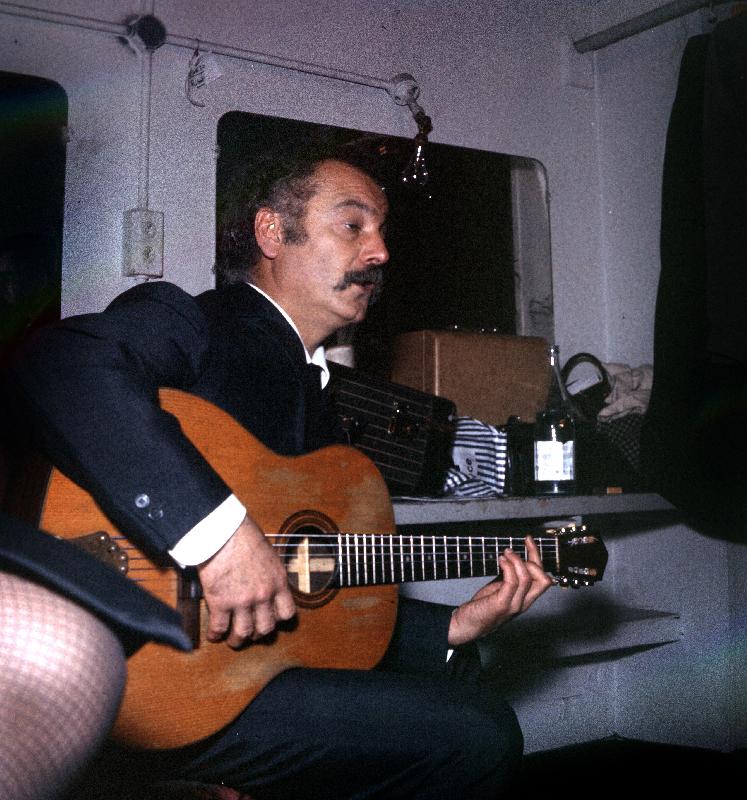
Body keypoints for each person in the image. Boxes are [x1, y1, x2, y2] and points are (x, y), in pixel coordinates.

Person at [4, 142, 553, 799]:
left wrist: (452, 628)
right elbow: (64, 366)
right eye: (353, 226)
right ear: (271, 232)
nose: (379, 252)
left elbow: (300, 592)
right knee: (478, 731)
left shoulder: (327, 406)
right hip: (153, 675)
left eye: (381, 232)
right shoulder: (196, 322)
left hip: (237, 677)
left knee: (461, 690)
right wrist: (217, 535)